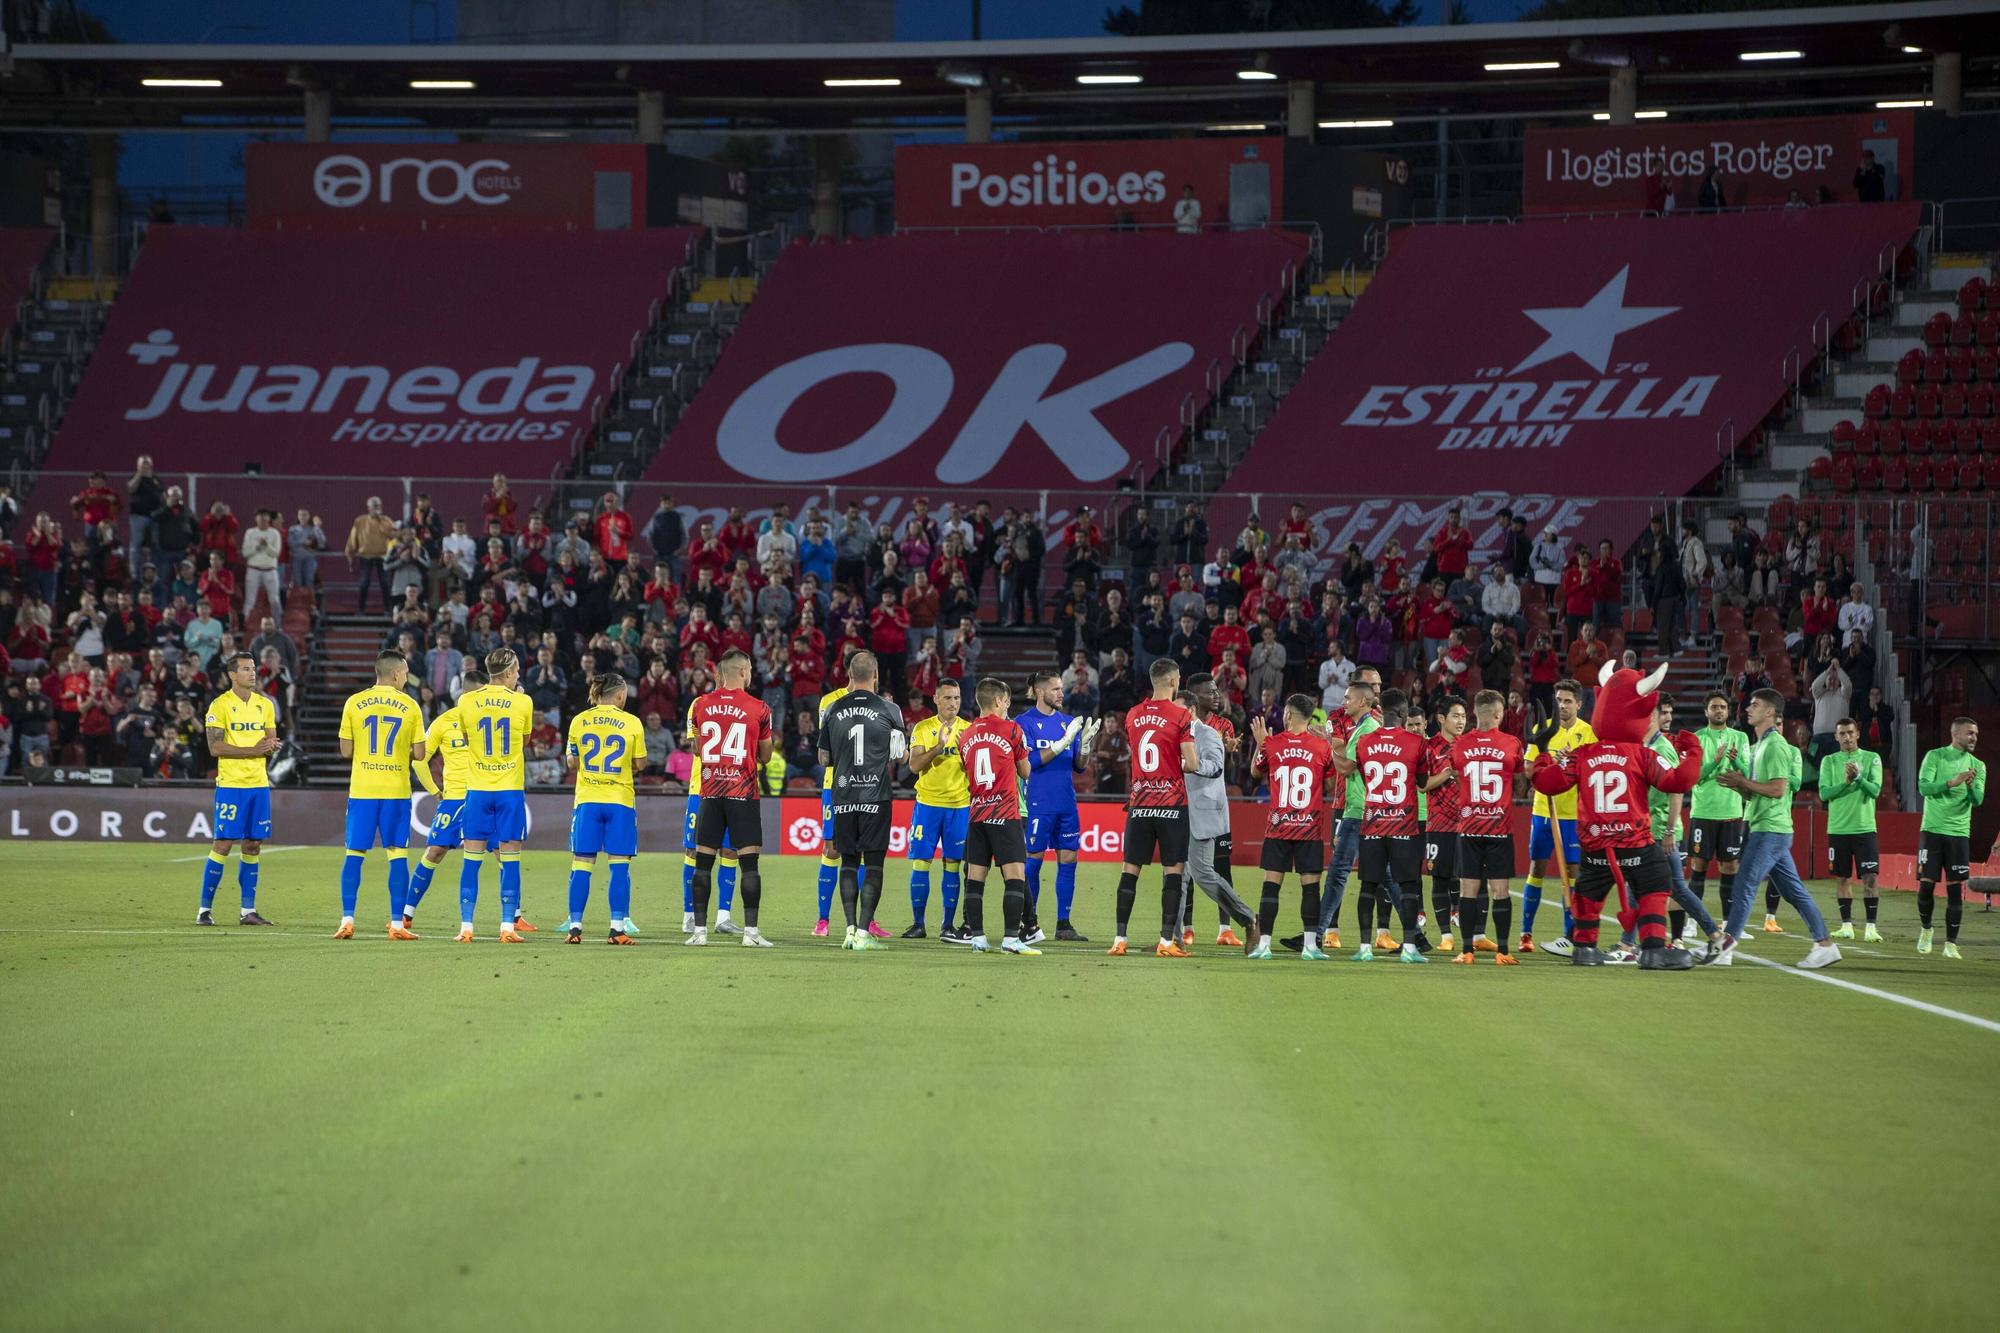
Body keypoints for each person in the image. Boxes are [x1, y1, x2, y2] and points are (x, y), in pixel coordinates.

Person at [1530, 664, 1704, 969]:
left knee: (1588, 891)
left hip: (1595, 845)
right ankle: (1652, 949)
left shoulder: (1582, 753)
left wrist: (1543, 751)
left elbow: (1546, 783)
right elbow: (1678, 782)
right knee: (1656, 881)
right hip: (1634, 842)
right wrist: (1694, 750)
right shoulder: (1642, 754)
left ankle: (1584, 947)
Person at [1701, 688, 1841, 969]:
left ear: (1770, 712)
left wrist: (1744, 783)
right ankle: (1825, 945)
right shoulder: (1759, 746)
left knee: (1744, 884)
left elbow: (1778, 790)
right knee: (1793, 892)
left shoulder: (1775, 745)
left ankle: (1725, 946)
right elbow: (1757, 793)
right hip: (1764, 824)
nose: (1747, 709)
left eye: (1754, 704)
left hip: (1770, 828)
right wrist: (1741, 785)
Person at [1109, 657, 1199, 956]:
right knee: (1173, 872)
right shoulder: (1181, 715)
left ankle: (1119, 939)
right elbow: (1193, 763)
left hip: (1141, 804)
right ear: (1173, 681)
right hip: (1171, 805)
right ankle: (1165, 942)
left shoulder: (1133, 715)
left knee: (1129, 870)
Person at [334, 650, 427, 940]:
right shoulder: (410, 706)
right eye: (406, 672)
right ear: (397, 674)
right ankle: (397, 925)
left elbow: (346, 751)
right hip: (395, 791)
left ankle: (347, 920)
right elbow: (420, 753)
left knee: (354, 853)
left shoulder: (354, 702)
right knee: (397, 855)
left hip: (362, 790)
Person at [686, 649, 774, 946]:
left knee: (702, 864)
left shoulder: (701, 705)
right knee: (749, 864)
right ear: (742, 671)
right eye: (749, 670)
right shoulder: (759, 708)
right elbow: (765, 755)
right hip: (743, 792)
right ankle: (750, 933)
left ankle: (699, 932)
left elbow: (698, 748)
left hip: (709, 793)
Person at [563, 674, 659, 946]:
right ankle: (617, 929)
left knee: (581, 865)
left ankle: (575, 927)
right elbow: (640, 764)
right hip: (619, 802)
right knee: (619, 868)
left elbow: (572, 762)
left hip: (587, 801)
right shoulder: (632, 722)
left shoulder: (578, 720)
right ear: (619, 695)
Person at [450, 648, 539, 943]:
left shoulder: (466, 700)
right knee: (510, 860)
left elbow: (465, 738)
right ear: (511, 671)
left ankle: (466, 927)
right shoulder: (523, 702)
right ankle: (506, 928)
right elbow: (524, 741)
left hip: (477, 790)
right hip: (508, 791)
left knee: (471, 860)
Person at [819, 651, 904, 951]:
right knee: (875, 865)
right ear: (876, 674)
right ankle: (865, 933)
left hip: (842, 796)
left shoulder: (831, 708)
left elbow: (823, 758)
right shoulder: (890, 709)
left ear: (850, 675)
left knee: (848, 864)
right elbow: (900, 755)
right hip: (875, 796)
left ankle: (849, 929)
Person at [193, 652, 280, 927]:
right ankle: (204, 910)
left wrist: (270, 747)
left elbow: (269, 741)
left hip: (258, 785)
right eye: (245, 669)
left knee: (253, 845)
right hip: (231, 785)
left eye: (253, 668)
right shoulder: (219, 706)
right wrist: (254, 750)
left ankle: (248, 911)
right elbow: (215, 747)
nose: (252, 673)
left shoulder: (264, 705)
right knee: (222, 843)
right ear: (232, 675)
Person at [1246, 693, 1335, 961]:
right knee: (1310, 887)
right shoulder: (1321, 747)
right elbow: (1330, 788)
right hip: (1309, 827)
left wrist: (1260, 743)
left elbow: (1254, 773)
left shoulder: (1272, 744)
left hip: (1278, 828)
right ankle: (1310, 946)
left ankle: (1264, 945)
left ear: (1288, 715)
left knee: (1271, 887)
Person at [956, 677, 1041, 955]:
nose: (1008, 705)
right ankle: (1010, 939)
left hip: (977, 815)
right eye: (1006, 700)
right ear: (998, 701)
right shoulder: (1011, 729)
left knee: (975, 879)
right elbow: (1025, 771)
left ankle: (977, 938)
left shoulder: (965, 734)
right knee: (1015, 876)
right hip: (1005, 813)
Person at [1351, 688, 1429, 963]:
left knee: (1367, 888)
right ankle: (1409, 947)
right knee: (1408, 887)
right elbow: (1421, 783)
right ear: (1405, 713)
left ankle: (1364, 948)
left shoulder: (1364, 742)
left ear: (1379, 711)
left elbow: (1363, 774)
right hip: (1404, 826)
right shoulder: (1417, 743)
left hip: (1372, 824)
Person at [404, 666, 485, 930]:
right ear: (465, 692)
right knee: (434, 852)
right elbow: (418, 761)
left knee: (503, 853)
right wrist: (435, 791)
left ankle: (515, 918)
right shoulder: (443, 722)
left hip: (485, 796)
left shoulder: (489, 721)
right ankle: (406, 913)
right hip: (454, 800)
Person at [1449, 689, 1525, 964]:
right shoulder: (1512, 743)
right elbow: (1520, 778)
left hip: (1468, 827)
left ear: (1475, 713)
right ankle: (1503, 952)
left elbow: (1456, 772)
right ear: (1497, 713)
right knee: (1500, 891)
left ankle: (1467, 950)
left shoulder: (1460, 744)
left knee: (1468, 890)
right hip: (1499, 828)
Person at [1520, 679, 1594, 955]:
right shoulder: (1542, 729)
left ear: (1579, 703)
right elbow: (1529, 770)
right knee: (1537, 869)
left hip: (1572, 814)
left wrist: (1570, 765)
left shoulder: (1588, 734)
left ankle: (1568, 933)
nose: (1562, 705)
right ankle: (1526, 934)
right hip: (1543, 811)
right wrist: (1547, 765)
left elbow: (1591, 771)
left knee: (1572, 874)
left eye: (1567, 701)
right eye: (1559, 700)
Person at [1182, 680, 1256, 950]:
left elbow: (1214, 768)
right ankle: (1173, 936)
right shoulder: (1175, 733)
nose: (1215, 696)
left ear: (1189, 708)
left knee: (1203, 873)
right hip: (1178, 811)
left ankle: (1248, 919)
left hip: (1203, 814)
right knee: (1176, 873)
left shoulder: (1209, 734)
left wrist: (1189, 764)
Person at [1644, 696, 1718, 950]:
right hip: (1652, 828)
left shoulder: (1662, 748)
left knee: (1671, 888)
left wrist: (1668, 830)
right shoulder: (1648, 745)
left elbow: (1676, 791)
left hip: (1662, 830)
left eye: (1668, 713)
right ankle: (1699, 936)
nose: (1668, 717)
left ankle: (1713, 934)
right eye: (1662, 712)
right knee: (1673, 888)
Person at [904, 678, 972, 941]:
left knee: (953, 865)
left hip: (959, 807)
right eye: (947, 698)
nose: (953, 703)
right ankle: (918, 924)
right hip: (928, 806)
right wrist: (939, 747)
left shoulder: (968, 730)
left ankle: (948, 926)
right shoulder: (923, 728)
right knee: (921, 863)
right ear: (936, 699)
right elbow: (914, 766)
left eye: (956, 698)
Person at [1914, 717, 1986, 960]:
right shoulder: (1935, 757)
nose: (1974, 737)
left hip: (1958, 834)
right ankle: (1926, 929)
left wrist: (1968, 785)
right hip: (1932, 830)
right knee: (1926, 887)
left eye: (1976, 733)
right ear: (1955, 735)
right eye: (1970, 733)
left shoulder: (1978, 766)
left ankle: (1951, 943)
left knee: (1955, 891)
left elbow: (1977, 800)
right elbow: (1924, 788)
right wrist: (1951, 782)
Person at [1685, 691, 1750, 939]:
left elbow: (1748, 773)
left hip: (1731, 812)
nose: (1719, 710)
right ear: (1706, 712)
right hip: (1704, 811)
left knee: (1730, 866)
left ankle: (1728, 923)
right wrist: (1715, 761)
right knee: (1699, 864)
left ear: (1728, 711)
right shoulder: (1696, 738)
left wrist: (1735, 764)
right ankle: (1692, 921)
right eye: (1714, 707)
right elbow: (1695, 777)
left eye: (1722, 707)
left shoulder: (1740, 737)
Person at [680, 702, 741, 937]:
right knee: (694, 852)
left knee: (730, 851)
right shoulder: (698, 704)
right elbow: (696, 748)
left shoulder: (745, 706)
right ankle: (689, 916)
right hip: (702, 788)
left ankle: (723, 917)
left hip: (733, 788)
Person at [1819, 718, 1883, 943]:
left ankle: (1871, 927)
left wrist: (1858, 778)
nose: (1846, 737)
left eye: (1850, 732)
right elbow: (1824, 794)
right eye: (1842, 734)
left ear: (1858, 734)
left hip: (1864, 828)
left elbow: (1875, 790)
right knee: (1842, 878)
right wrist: (1847, 783)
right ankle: (1846, 925)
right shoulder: (1829, 761)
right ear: (1836, 737)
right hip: (1838, 828)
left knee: (1870, 878)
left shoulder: (1872, 758)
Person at [1421, 697, 1467, 953]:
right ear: (1441, 718)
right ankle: (1446, 936)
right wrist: (1448, 773)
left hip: (1468, 822)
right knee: (1440, 878)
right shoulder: (1429, 747)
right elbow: (1423, 784)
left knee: (1471, 877)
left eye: (1463, 716)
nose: (1460, 721)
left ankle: (1475, 935)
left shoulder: (1469, 746)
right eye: (1456, 716)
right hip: (1439, 822)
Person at [345, 497, 398, 615]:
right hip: (365, 556)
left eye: (378, 505)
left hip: (383, 557)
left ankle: (387, 610)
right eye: (374, 506)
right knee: (364, 583)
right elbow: (353, 540)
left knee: (385, 583)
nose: (377, 508)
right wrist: (350, 555)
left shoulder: (386, 520)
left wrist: (380, 521)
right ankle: (360, 610)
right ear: (369, 508)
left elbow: (394, 535)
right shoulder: (360, 521)